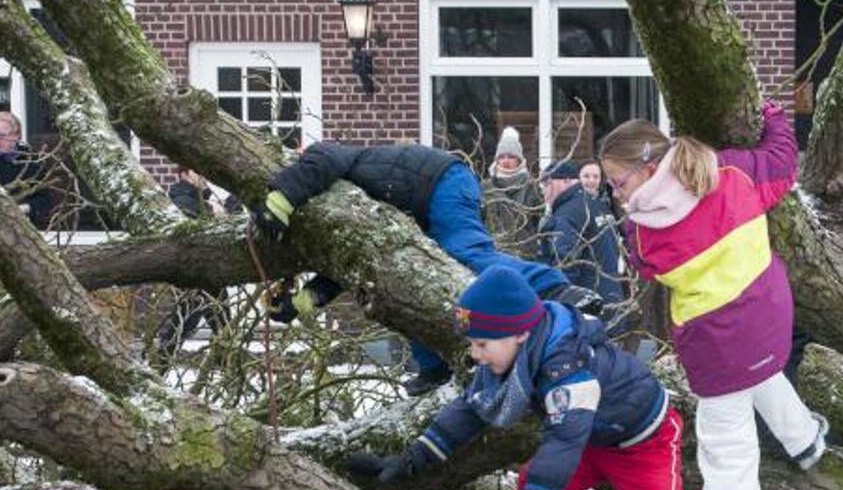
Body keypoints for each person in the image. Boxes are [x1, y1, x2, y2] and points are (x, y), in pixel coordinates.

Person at [347, 266, 788, 490]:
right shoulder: (515, 358)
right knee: (534, 486)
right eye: (472, 345)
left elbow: (562, 442)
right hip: (593, 435)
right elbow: (470, 409)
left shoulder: (565, 364)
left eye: (482, 344)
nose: (476, 354)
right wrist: (411, 460)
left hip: (641, 438)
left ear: (517, 333)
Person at [596, 103, 828, 490]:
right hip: (769, 311)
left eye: (618, 183)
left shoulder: (640, 234)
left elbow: (649, 271)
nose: (617, 196)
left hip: (715, 343)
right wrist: (777, 118)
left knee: (727, 461)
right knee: (763, 372)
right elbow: (783, 164)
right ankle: (804, 439)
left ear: (645, 166)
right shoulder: (731, 171)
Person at [251, 138, 595, 395]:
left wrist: (277, 202)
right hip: (426, 204)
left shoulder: (322, 158)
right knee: (401, 283)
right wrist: (299, 304)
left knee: (463, 253)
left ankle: (555, 286)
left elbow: (319, 161)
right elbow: (343, 264)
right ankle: (432, 368)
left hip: (441, 183)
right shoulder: (329, 212)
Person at [538, 159, 626, 324]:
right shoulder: (598, 205)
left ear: (567, 181)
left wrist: (559, 310)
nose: (544, 190)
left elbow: (565, 266)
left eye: (548, 183)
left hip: (587, 308)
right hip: (612, 300)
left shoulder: (567, 215)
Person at [155, 168, 229, 361]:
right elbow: (186, 212)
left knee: (220, 324)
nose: (203, 176)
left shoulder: (205, 199)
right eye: (197, 171)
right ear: (184, 174)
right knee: (187, 322)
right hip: (194, 273)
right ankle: (158, 362)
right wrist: (212, 211)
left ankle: (226, 362)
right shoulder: (180, 197)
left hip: (209, 272)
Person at [0, 111, 52, 228]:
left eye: (2, 136)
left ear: (16, 136)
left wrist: (24, 208)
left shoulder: (32, 161)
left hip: (21, 226)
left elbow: (45, 200)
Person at [484, 126, 542, 254]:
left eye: (511, 156)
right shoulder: (486, 187)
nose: (505, 161)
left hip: (525, 253)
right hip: (494, 251)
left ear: (519, 159)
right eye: (502, 156)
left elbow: (538, 220)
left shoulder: (531, 186)